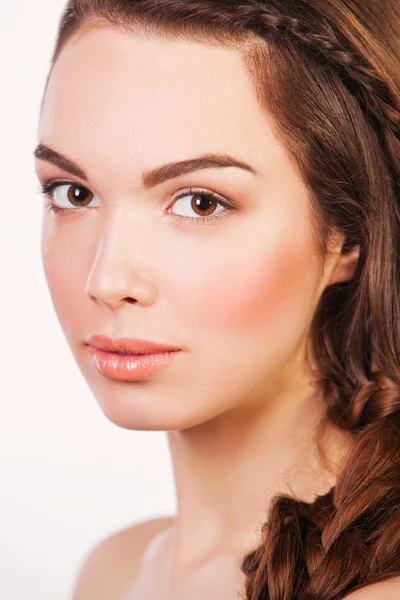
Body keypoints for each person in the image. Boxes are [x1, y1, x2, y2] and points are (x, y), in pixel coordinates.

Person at [33, 1, 400, 599]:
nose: (105, 280)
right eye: (73, 193)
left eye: (200, 202)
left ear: (347, 237)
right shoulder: (114, 572)